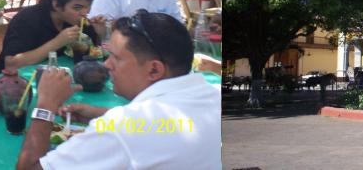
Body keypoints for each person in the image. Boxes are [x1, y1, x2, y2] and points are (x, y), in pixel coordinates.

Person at [15, 11, 220, 170]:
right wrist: (100, 113)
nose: (106, 65)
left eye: (116, 57)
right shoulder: (216, 95)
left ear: (154, 69)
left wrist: (46, 105)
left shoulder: (118, 128)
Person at [0, 0, 102, 73]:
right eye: (77, 8)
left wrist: (100, 32)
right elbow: (11, 64)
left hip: (61, 75)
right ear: (56, 5)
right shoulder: (27, 19)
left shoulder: (76, 20)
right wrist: (58, 42)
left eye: (88, 7)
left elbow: (94, 52)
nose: (85, 13)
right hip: (14, 82)